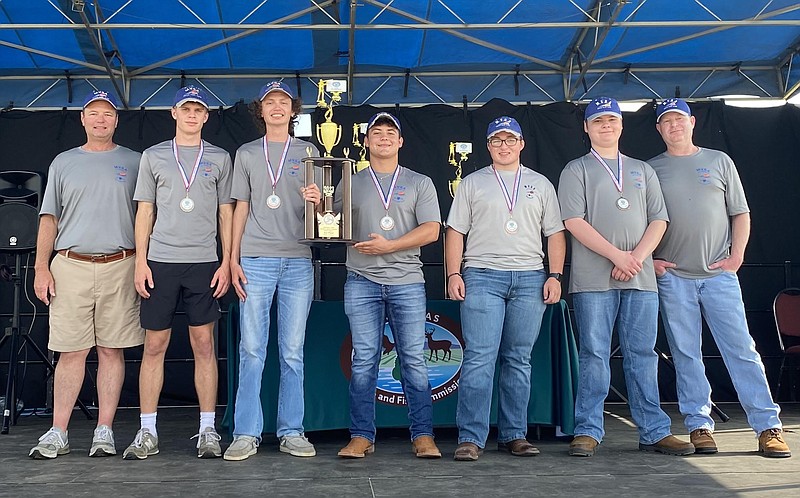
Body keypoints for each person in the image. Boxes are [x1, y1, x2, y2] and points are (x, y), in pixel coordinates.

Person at [650, 98, 791, 458]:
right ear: (658, 129)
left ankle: (767, 426)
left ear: (692, 122)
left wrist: (737, 256)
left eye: (679, 119)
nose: (674, 126)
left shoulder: (718, 161)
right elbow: (641, 221)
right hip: (674, 277)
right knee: (686, 353)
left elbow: (740, 213)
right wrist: (651, 260)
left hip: (718, 276)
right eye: (666, 121)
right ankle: (699, 426)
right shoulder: (651, 170)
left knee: (741, 350)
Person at [557, 97, 694, 457]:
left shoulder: (641, 170)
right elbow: (573, 221)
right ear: (586, 127)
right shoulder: (576, 170)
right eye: (598, 120)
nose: (606, 125)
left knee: (642, 354)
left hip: (640, 277)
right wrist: (617, 255)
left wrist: (634, 258)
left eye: (612, 120)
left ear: (621, 125)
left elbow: (658, 220)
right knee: (594, 354)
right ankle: (588, 429)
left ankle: (653, 430)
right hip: (593, 279)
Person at [29, 90, 144, 459]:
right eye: (93, 113)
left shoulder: (136, 161)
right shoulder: (63, 162)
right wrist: (40, 266)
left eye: (107, 114)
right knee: (71, 351)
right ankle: (58, 431)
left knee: (112, 351)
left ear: (116, 120)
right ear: (83, 119)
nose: (100, 119)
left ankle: (105, 430)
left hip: (120, 265)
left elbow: (148, 216)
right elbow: (50, 217)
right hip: (71, 265)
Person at [446, 116, 566, 461]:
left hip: (530, 277)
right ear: (488, 146)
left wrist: (554, 276)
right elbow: (455, 231)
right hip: (482, 275)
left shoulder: (541, 184)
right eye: (496, 140)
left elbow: (555, 233)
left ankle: (514, 434)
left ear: (521, 144)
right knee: (480, 358)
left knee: (518, 359)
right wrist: (454, 273)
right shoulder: (472, 183)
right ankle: (470, 437)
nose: (504, 145)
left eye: (510, 139)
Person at [122, 86, 233, 460]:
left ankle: (207, 430)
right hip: (161, 262)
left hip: (204, 262)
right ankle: (147, 430)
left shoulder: (219, 158)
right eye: (186, 108)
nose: (191, 115)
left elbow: (226, 213)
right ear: (174, 113)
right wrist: (141, 261)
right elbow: (144, 212)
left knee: (205, 345)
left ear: (206, 117)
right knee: (154, 345)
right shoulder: (153, 156)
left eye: (198, 110)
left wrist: (226, 260)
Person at [223, 81, 322, 461]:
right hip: (256, 260)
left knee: (293, 351)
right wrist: (232, 259)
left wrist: (320, 198)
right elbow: (239, 208)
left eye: (283, 102)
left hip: (298, 259)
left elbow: (326, 209)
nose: (277, 107)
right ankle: (246, 432)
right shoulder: (247, 153)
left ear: (293, 111)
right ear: (260, 111)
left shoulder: (309, 151)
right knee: (251, 349)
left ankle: (292, 431)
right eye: (270, 102)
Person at [336, 112, 442, 459]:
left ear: (400, 142)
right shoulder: (349, 181)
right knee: (364, 359)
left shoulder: (419, 182)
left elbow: (431, 230)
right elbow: (330, 224)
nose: (383, 137)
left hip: (407, 281)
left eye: (390, 132)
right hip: (361, 281)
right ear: (366, 141)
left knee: (413, 359)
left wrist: (391, 246)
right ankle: (361, 435)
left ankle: (423, 434)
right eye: (376, 132)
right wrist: (315, 202)